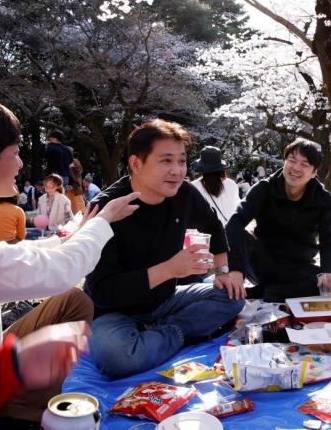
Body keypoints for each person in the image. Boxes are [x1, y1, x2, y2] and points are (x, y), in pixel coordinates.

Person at [0, 93, 139, 429]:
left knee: (72, 303)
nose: (22, 164)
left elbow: (12, 258)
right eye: (16, 153)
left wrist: (72, 235)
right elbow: (54, 273)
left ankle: (20, 414)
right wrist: (103, 223)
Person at [84, 119, 245, 379]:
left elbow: (215, 227)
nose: (177, 171)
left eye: (181, 161)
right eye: (166, 161)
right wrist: (170, 269)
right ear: (136, 164)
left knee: (233, 295)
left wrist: (224, 272)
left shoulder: (183, 194)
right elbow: (103, 292)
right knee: (116, 356)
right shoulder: (106, 209)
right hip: (115, 312)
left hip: (166, 299)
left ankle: (163, 332)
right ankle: (177, 333)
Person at [225, 138, 331, 303]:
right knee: (240, 233)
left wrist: (328, 272)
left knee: (330, 285)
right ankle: (274, 291)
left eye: (304, 164)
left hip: (298, 266)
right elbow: (235, 222)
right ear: (284, 161)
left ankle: (265, 292)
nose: (296, 168)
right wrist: (235, 269)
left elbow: (330, 238)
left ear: (314, 172)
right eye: (292, 160)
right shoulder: (264, 188)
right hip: (263, 262)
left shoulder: (322, 198)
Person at [190, 146, 240, 227]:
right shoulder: (232, 184)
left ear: (201, 167)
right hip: (228, 234)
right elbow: (236, 209)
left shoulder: (193, 186)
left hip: (203, 237)